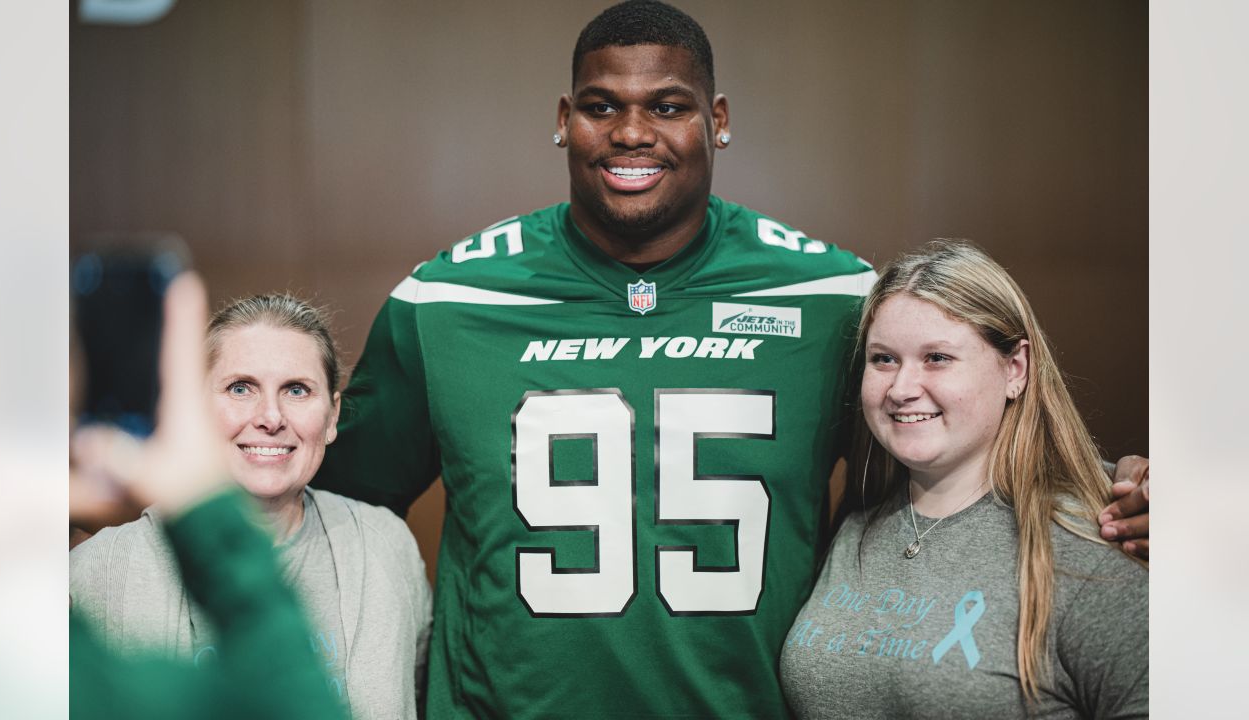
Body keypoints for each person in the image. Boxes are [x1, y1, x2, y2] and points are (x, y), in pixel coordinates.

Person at [314, 1, 1149, 716]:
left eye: (668, 106)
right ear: (562, 118)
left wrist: (1121, 500)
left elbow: (959, 457)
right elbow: (328, 507)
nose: (632, 131)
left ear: (717, 119)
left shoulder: (832, 297)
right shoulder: (449, 300)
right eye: (602, 107)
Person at [779, 240, 1148, 718]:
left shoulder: (1095, 542)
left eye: (937, 357)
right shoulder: (857, 528)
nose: (902, 389)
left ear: (1015, 368)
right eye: (884, 359)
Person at [71, 293, 433, 720]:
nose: (271, 417)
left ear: (332, 417)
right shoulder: (95, 569)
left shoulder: (386, 548)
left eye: (297, 390)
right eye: (240, 388)